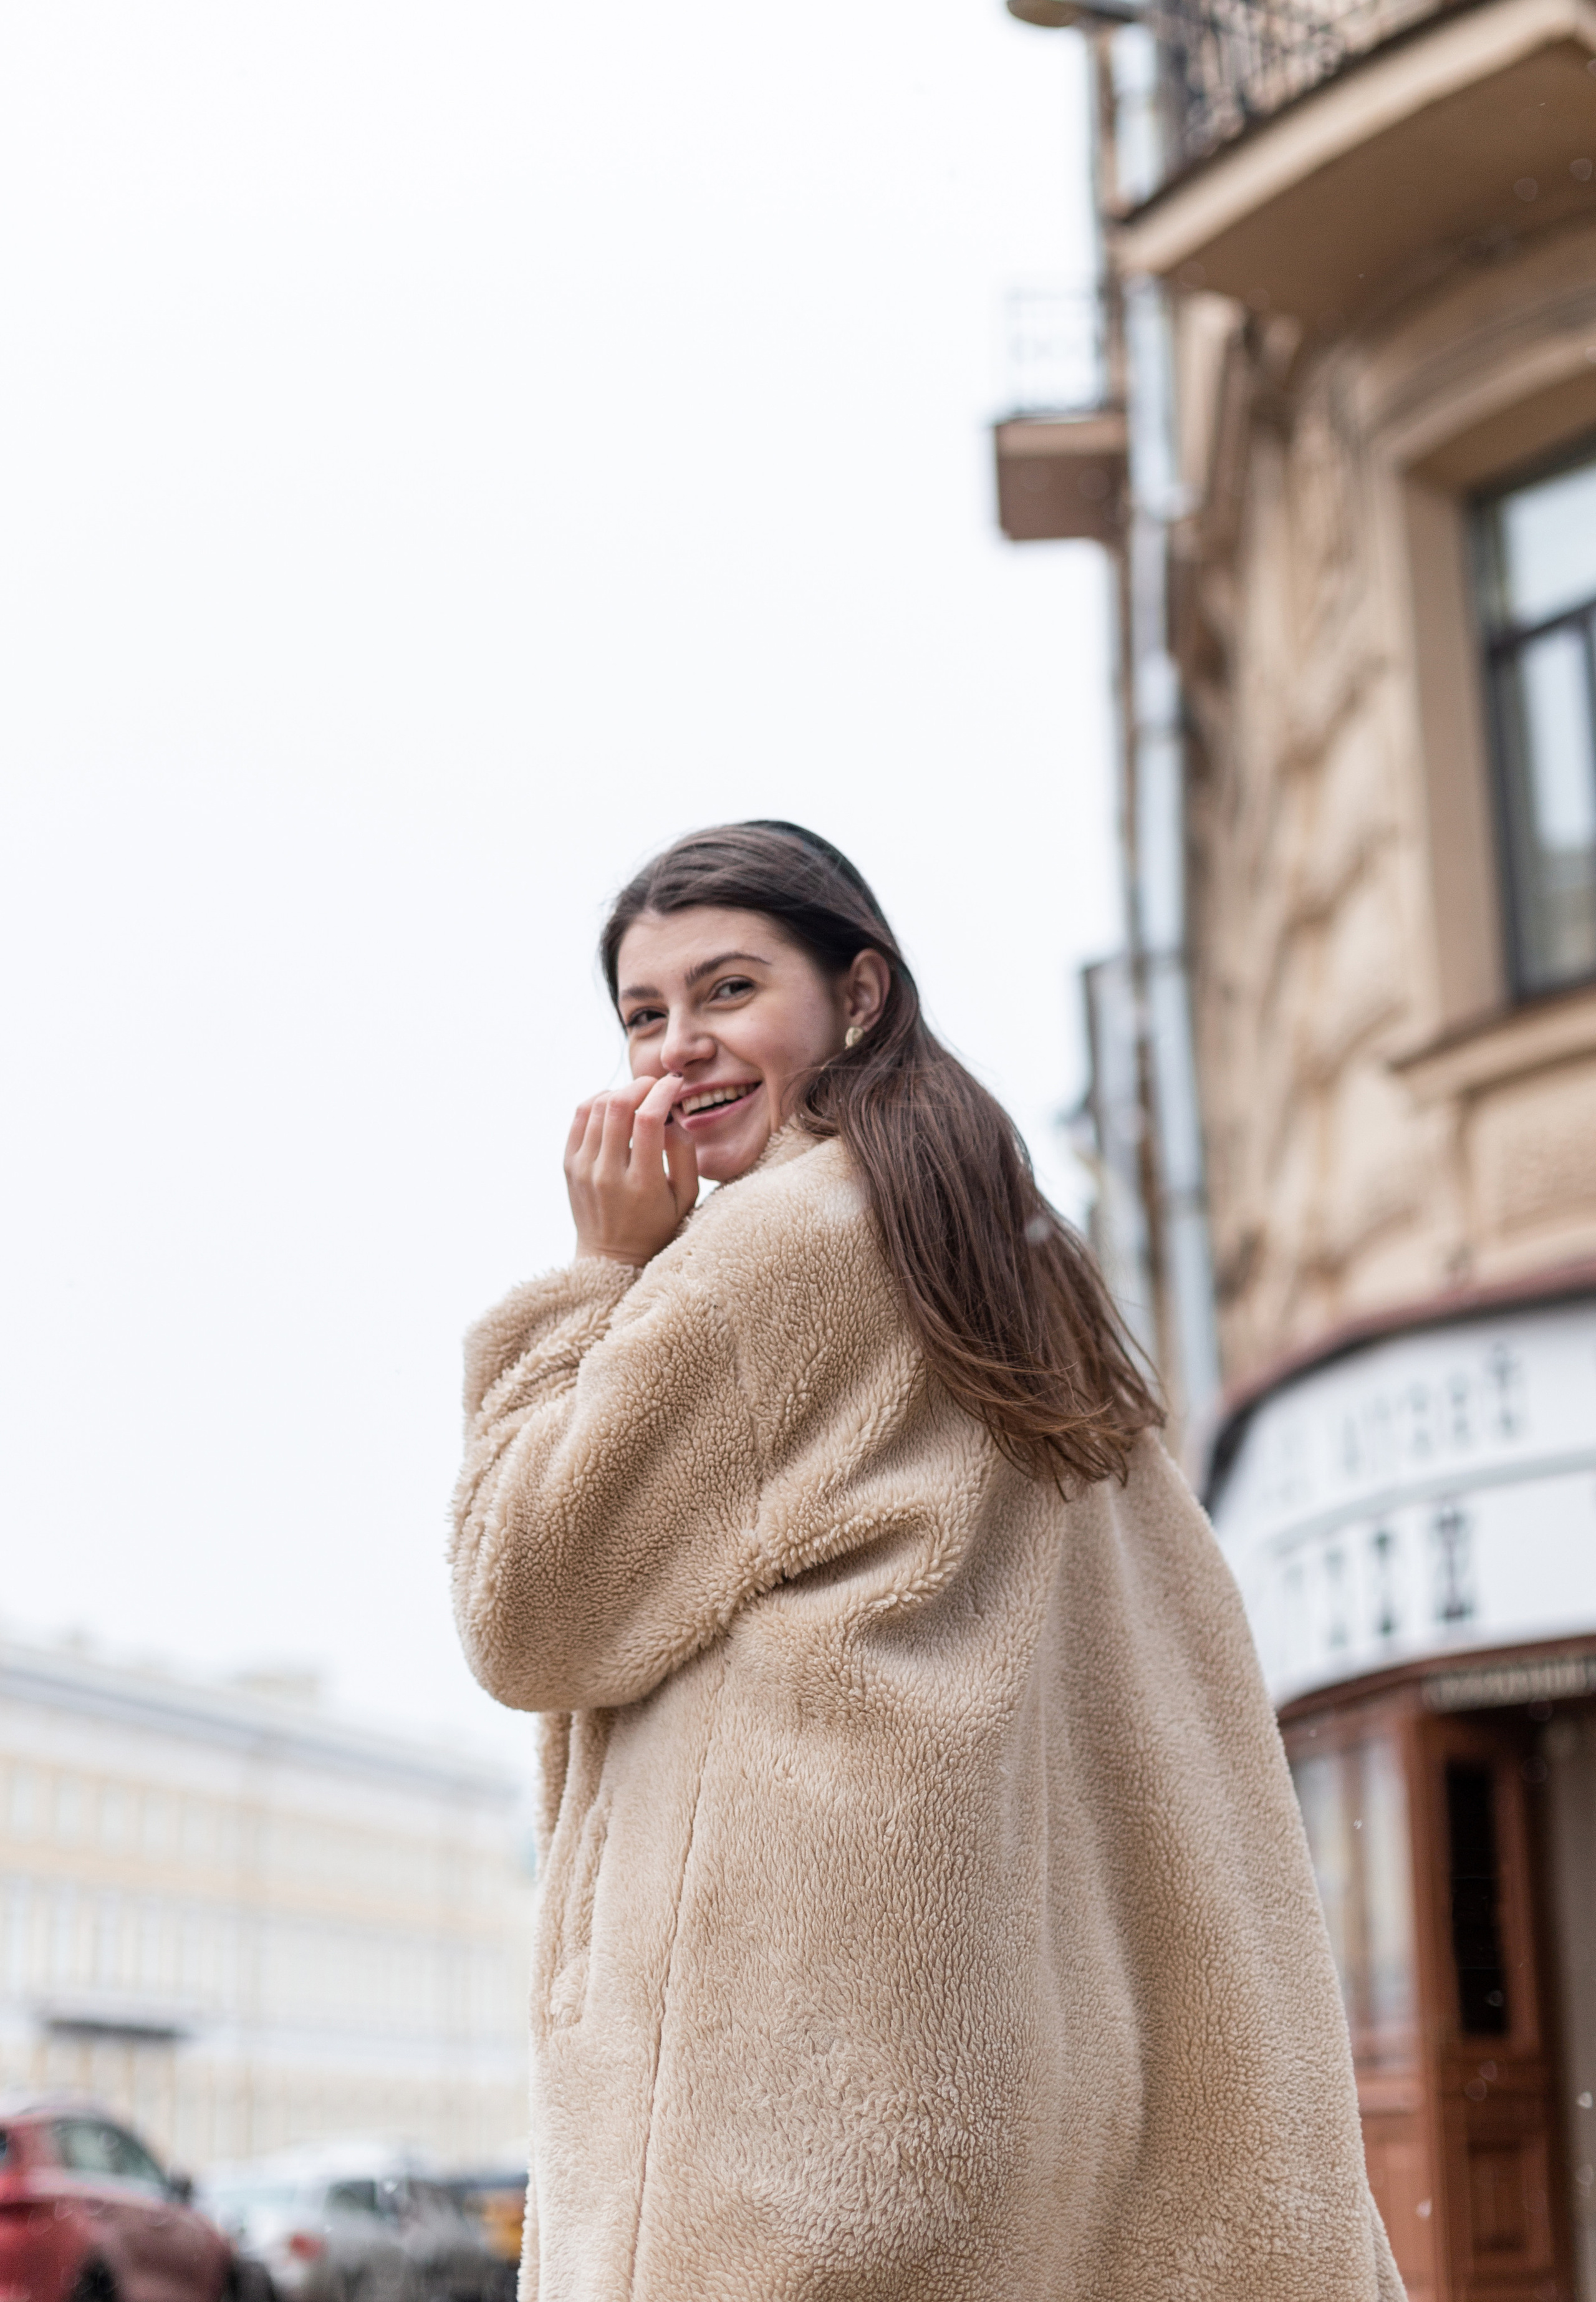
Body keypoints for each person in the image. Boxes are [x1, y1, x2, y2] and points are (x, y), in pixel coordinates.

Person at [449, 821, 1404, 2302]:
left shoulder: (764, 1259)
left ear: (859, 995)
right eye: (643, 1014)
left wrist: (595, 1279)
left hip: (789, 2134)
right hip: (982, 2095)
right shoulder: (1000, 1261)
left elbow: (526, 1602)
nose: (676, 1049)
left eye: (725, 992)